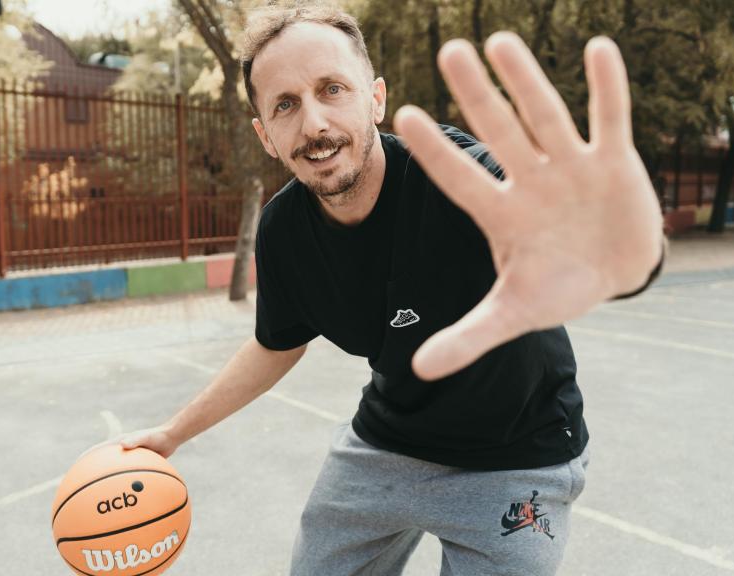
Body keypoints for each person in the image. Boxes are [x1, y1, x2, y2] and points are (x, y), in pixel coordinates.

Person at [116, 4, 665, 575]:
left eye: (332, 89)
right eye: (286, 104)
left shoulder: (461, 181)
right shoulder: (283, 232)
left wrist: (616, 246)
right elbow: (277, 342)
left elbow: (553, 219)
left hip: (518, 456)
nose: (314, 124)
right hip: (388, 443)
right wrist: (172, 433)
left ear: (375, 98)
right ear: (266, 136)